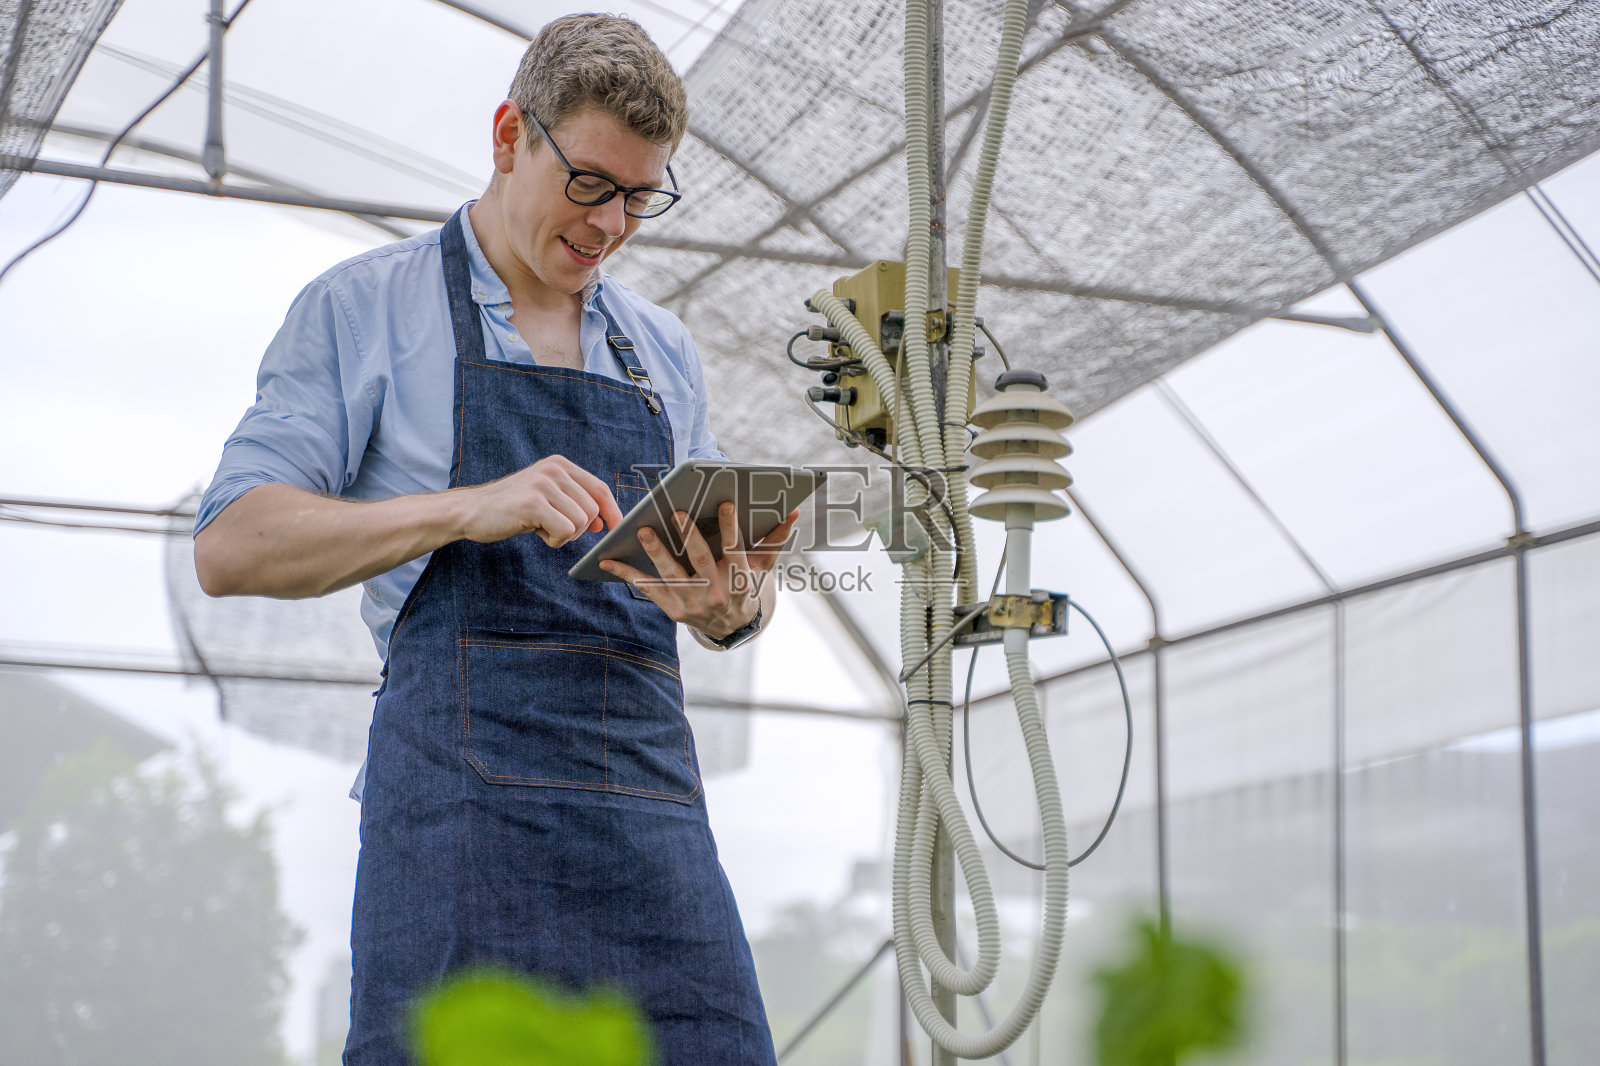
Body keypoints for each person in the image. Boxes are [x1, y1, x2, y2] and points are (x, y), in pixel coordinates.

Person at [192, 14, 791, 1064]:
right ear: (511, 134)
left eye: (639, 198)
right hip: (460, 822)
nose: (609, 225)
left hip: (647, 816)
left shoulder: (662, 351)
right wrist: (466, 508)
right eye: (589, 183)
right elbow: (231, 544)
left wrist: (732, 607)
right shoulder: (364, 310)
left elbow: (730, 590)